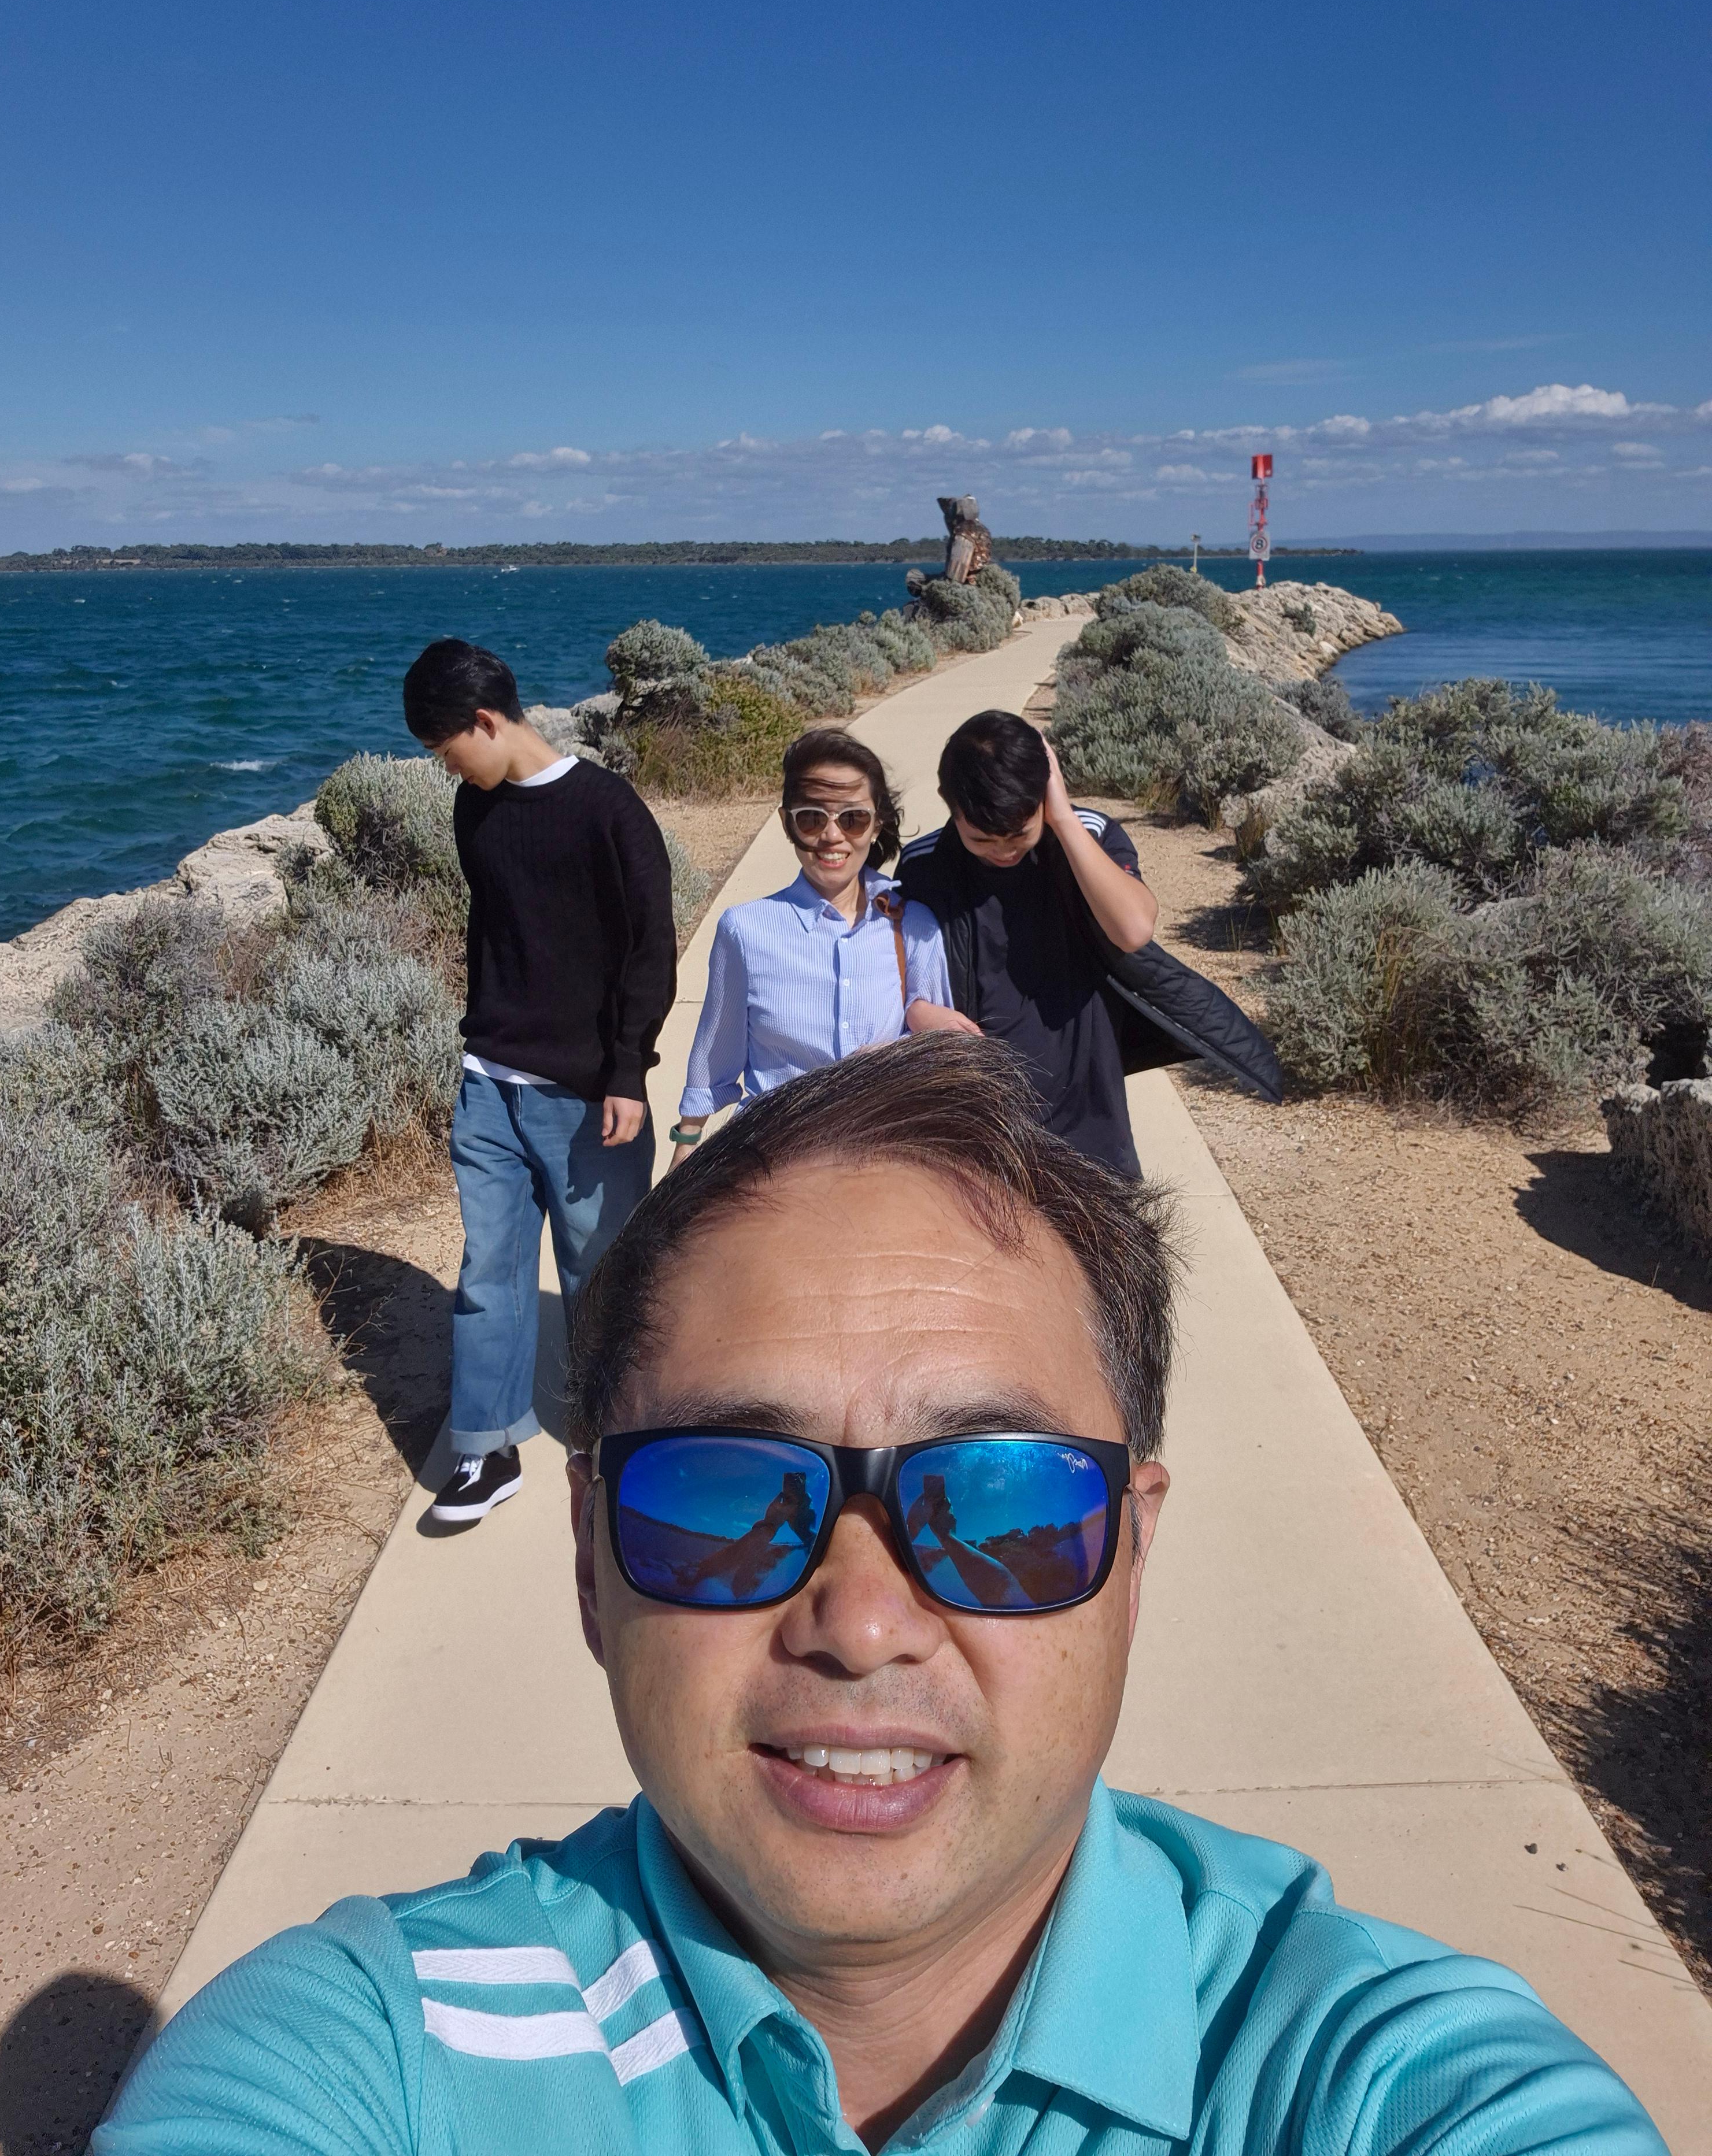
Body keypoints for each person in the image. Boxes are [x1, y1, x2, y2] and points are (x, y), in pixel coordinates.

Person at [102, 1038, 1662, 2155]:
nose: (859, 1623)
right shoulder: (376, 2053)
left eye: (999, 1502)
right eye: (724, 1495)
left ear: (1131, 1555)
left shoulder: (1374, 2079)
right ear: (589, 1564)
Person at [402, 638, 676, 1526]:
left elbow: (650, 950)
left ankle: (616, 1442)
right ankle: (486, 1452)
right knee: (490, 1269)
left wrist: (627, 1069)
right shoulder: (474, 810)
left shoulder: (608, 811)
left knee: (601, 1275)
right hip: (488, 1084)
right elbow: (497, 936)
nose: (446, 769)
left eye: (447, 749)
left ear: (486, 722)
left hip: (588, 1095)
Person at [670, 728, 967, 1157]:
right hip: (771, 1161)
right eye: (811, 818)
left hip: (880, 1159)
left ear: (876, 824)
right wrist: (686, 1145)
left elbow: (938, 1061)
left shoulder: (914, 927)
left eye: (852, 819)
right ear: (787, 823)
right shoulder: (745, 931)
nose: (832, 836)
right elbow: (714, 1059)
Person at [896, 708, 1159, 1176]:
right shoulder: (923, 865)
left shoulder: (1088, 835)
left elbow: (1134, 929)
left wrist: (1063, 818)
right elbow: (900, 966)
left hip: (1089, 1120)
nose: (1004, 851)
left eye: (1019, 834)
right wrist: (916, 1010)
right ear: (950, 806)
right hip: (980, 1123)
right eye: (983, 840)